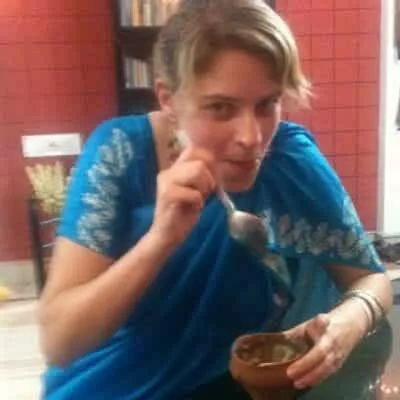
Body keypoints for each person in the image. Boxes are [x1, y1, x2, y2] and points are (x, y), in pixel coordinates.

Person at [39, 1, 393, 399]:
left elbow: (371, 277)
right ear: (168, 99)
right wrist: (160, 240)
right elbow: (60, 342)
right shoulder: (120, 153)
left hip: (241, 382)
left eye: (267, 104)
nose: (251, 138)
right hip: (113, 386)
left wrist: (347, 323)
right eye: (220, 108)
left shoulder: (291, 161)